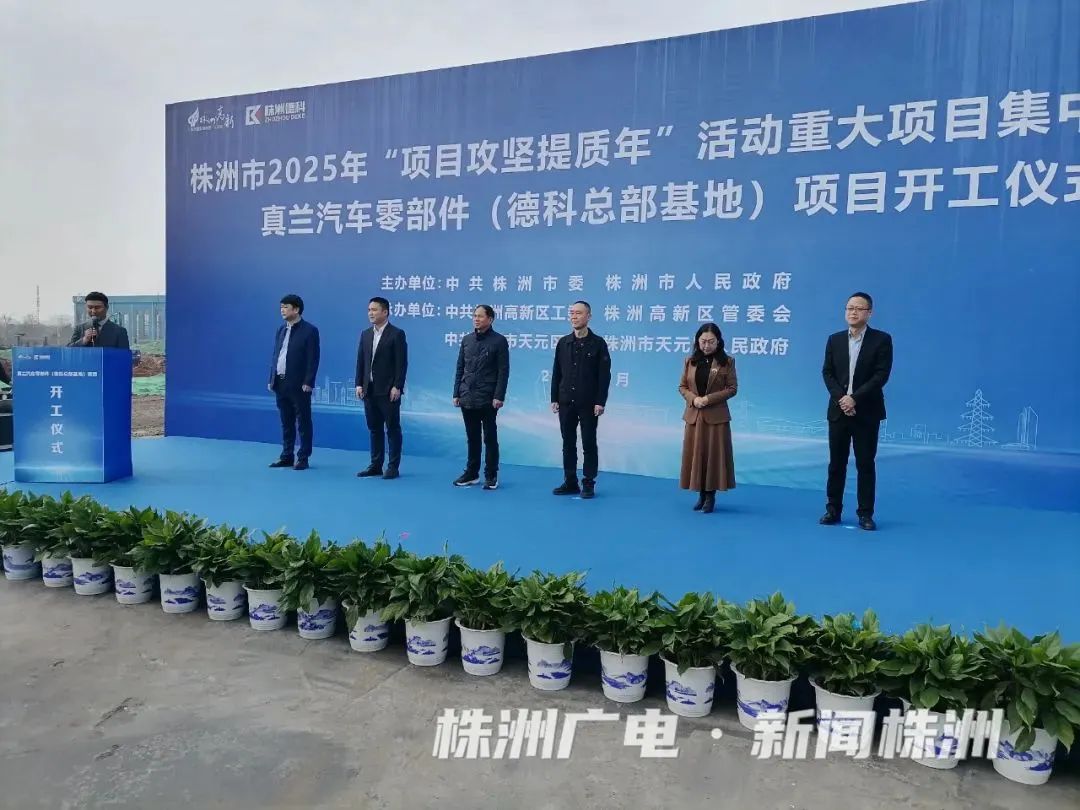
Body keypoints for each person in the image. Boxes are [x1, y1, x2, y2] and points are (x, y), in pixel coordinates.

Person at [820, 292, 893, 531]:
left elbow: (881, 375)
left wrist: (854, 399)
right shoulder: (834, 340)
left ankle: (865, 514)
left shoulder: (881, 340)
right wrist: (842, 399)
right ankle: (833, 509)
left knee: (865, 464)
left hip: (867, 411)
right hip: (838, 410)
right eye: (850, 308)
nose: (853, 312)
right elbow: (827, 373)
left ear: (869, 313)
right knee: (836, 464)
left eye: (859, 308)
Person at [550, 301, 612, 499]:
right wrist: (554, 398)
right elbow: (557, 372)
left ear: (588, 316)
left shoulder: (598, 344)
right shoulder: (563, 343)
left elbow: (604, 376)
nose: (574, 317)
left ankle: (588, 482)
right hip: (566, 401)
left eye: (578, 313)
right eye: (572, 313)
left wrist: (600, 401)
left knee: (588, 443)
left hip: (588, 403)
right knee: (568, 443)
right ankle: (570, 481)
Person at [678, 323, 737, 513]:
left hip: (716, 418)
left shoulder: (727, 362)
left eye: (711, 341)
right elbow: (682, 387)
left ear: (718, 341)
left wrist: (708, 399)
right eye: (703, 341)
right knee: (697, 457)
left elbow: (732, 389)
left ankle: (710, 496)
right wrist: (693, 399)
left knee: (713, 458)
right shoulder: (690, 361)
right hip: (694, 416)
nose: (706, 345)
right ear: (697, 341)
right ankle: (701, 495)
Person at [452, 304, 509, 490]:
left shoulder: (499, 341)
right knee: (472, 437)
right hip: (467, 395)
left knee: (490, 438)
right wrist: (456, 392)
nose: (476, 319)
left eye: (480, 316)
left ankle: (491, 475)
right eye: (474, 316)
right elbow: (460, 367)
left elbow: (503, 371)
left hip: (488, 397)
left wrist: (499, 395)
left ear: (490, 319)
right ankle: (472, 473)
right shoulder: (467, 340)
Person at [355, 297, 408, 479]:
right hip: (369, 389)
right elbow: (361, 361)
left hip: (388, 391)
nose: (370, 313)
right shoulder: (365, 334)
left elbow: (401, 363)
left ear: (385, 312)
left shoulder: (396, 334)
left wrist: (397, 386)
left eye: (374, 310)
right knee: (374, 428)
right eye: (369, 310)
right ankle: (375, 464)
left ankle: (393, 466)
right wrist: (359, 383)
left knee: (392, 428)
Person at [267, 294, 320, 470]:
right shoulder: (280, 330)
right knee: (286, 422)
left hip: (299, 385)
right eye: (281, 307)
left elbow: (313, 358)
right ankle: (287, 455)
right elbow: (276, 355)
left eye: (286, 307)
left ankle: (303, 457)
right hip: (280, 383)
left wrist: (308, 381)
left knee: (303, 422)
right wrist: (272, 378)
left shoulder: (310, 331)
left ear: (296, 309)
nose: (282, 310)